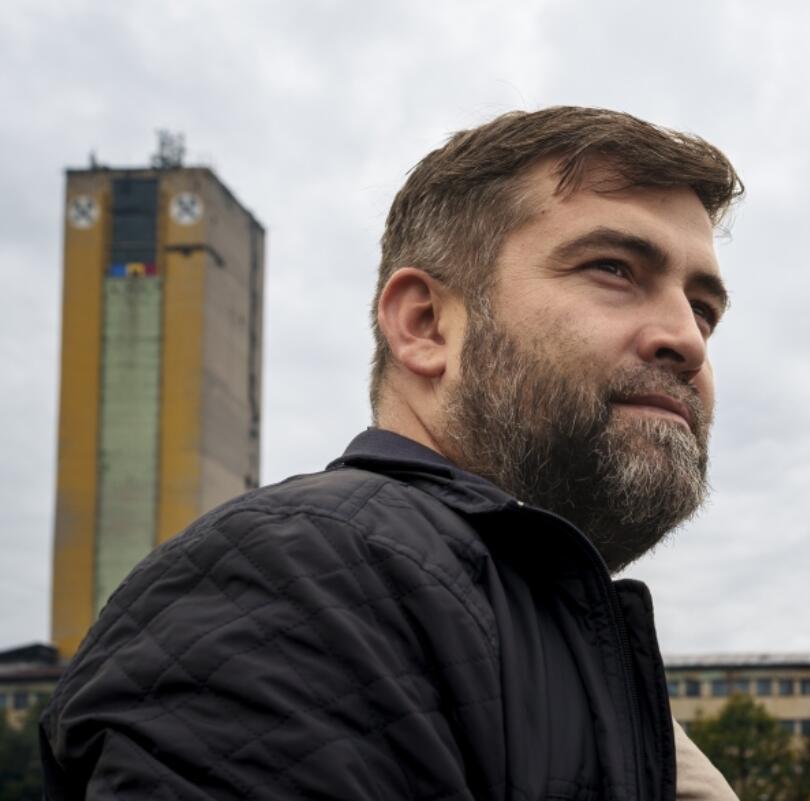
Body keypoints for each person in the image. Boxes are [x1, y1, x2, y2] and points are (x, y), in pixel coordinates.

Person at [41, 106, 742, 800]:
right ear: (426, 324)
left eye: (705, 309)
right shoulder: (293, 579)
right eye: (614, 268)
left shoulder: (537, 637)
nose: (688, 340)